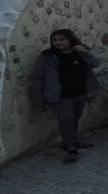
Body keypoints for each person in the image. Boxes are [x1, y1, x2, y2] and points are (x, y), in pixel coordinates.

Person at [28, 29, 100, 164]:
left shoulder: (80, 52)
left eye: (62, 39)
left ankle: (71, 141)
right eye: (55, 40)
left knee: (75, 117)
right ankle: (71, 148)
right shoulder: (47, 56)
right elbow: (38, 77)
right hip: (59, 94)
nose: (58, 43)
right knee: (65, 119)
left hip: (80, 91)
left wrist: (83, 52)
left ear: (70, 39)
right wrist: (38, 97)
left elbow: (95, 63)